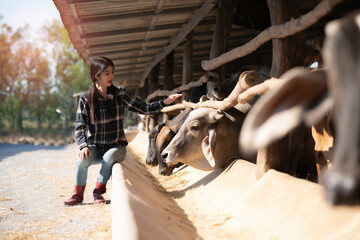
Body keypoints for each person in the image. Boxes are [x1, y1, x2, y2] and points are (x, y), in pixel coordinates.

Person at [64, 56, 182, 206]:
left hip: (116, 147)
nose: (111, 76)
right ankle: (77, 195)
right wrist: (83, 146)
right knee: (81, 161)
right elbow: (80, 126)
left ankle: (98, 192)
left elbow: (143, 108)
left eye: (112, 72)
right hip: (95, 146)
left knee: (109, 157)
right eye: (107, 73)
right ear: (97, 75)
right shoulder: (86, 99)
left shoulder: (120, 93)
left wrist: (164, 102)